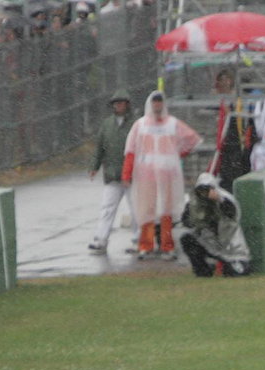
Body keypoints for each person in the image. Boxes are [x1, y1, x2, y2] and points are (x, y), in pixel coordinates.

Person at [123, 90, 201, 260]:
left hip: (167, 177)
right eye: (155, 102)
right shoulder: (141, 125)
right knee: (146, 211)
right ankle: (146, 245)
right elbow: (131, 150)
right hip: (146, 176)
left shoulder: (172, 124)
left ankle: (167, 245)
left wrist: (176, 154)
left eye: (160, 102)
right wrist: (127, 173)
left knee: (166, 212)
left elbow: (191, 139)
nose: (157, 106)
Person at [86, 89, 135, 254]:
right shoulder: (107, 124)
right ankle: (101, 239)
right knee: (107, 207)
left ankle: (139, 240)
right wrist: (94, 166)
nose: (118, 106)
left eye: (121, 103)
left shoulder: (137, 123)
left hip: (133, 176)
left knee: (136, 208)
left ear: (127, 104)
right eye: (116, 103)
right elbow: (100, 147)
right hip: (112, 175)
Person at [178, 172, 252, 276]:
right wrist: (193, 213)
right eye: (201, 191)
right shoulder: (196, 203)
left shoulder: (226, 199)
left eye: (206, 190)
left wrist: (219, 199)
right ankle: (203, 270)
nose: (204, 194)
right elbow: (187, 222)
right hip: (211, 244)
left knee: (234, 273)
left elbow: (231, 212)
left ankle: (232, 264)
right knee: (187, 239)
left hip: (231, 247)